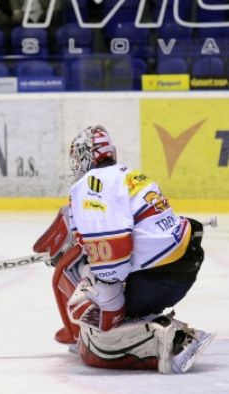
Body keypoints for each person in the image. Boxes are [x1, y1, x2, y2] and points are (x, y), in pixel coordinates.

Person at [33, 125, 214, 374]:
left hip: (158, 275)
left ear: (87, 156)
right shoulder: (127, 175)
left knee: (89, 322)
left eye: (76, 158)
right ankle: (149, 323)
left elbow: (111, 246)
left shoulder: (89, 184)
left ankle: (169, 341)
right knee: (95, 288)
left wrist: (110, 307)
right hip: (182, 265)